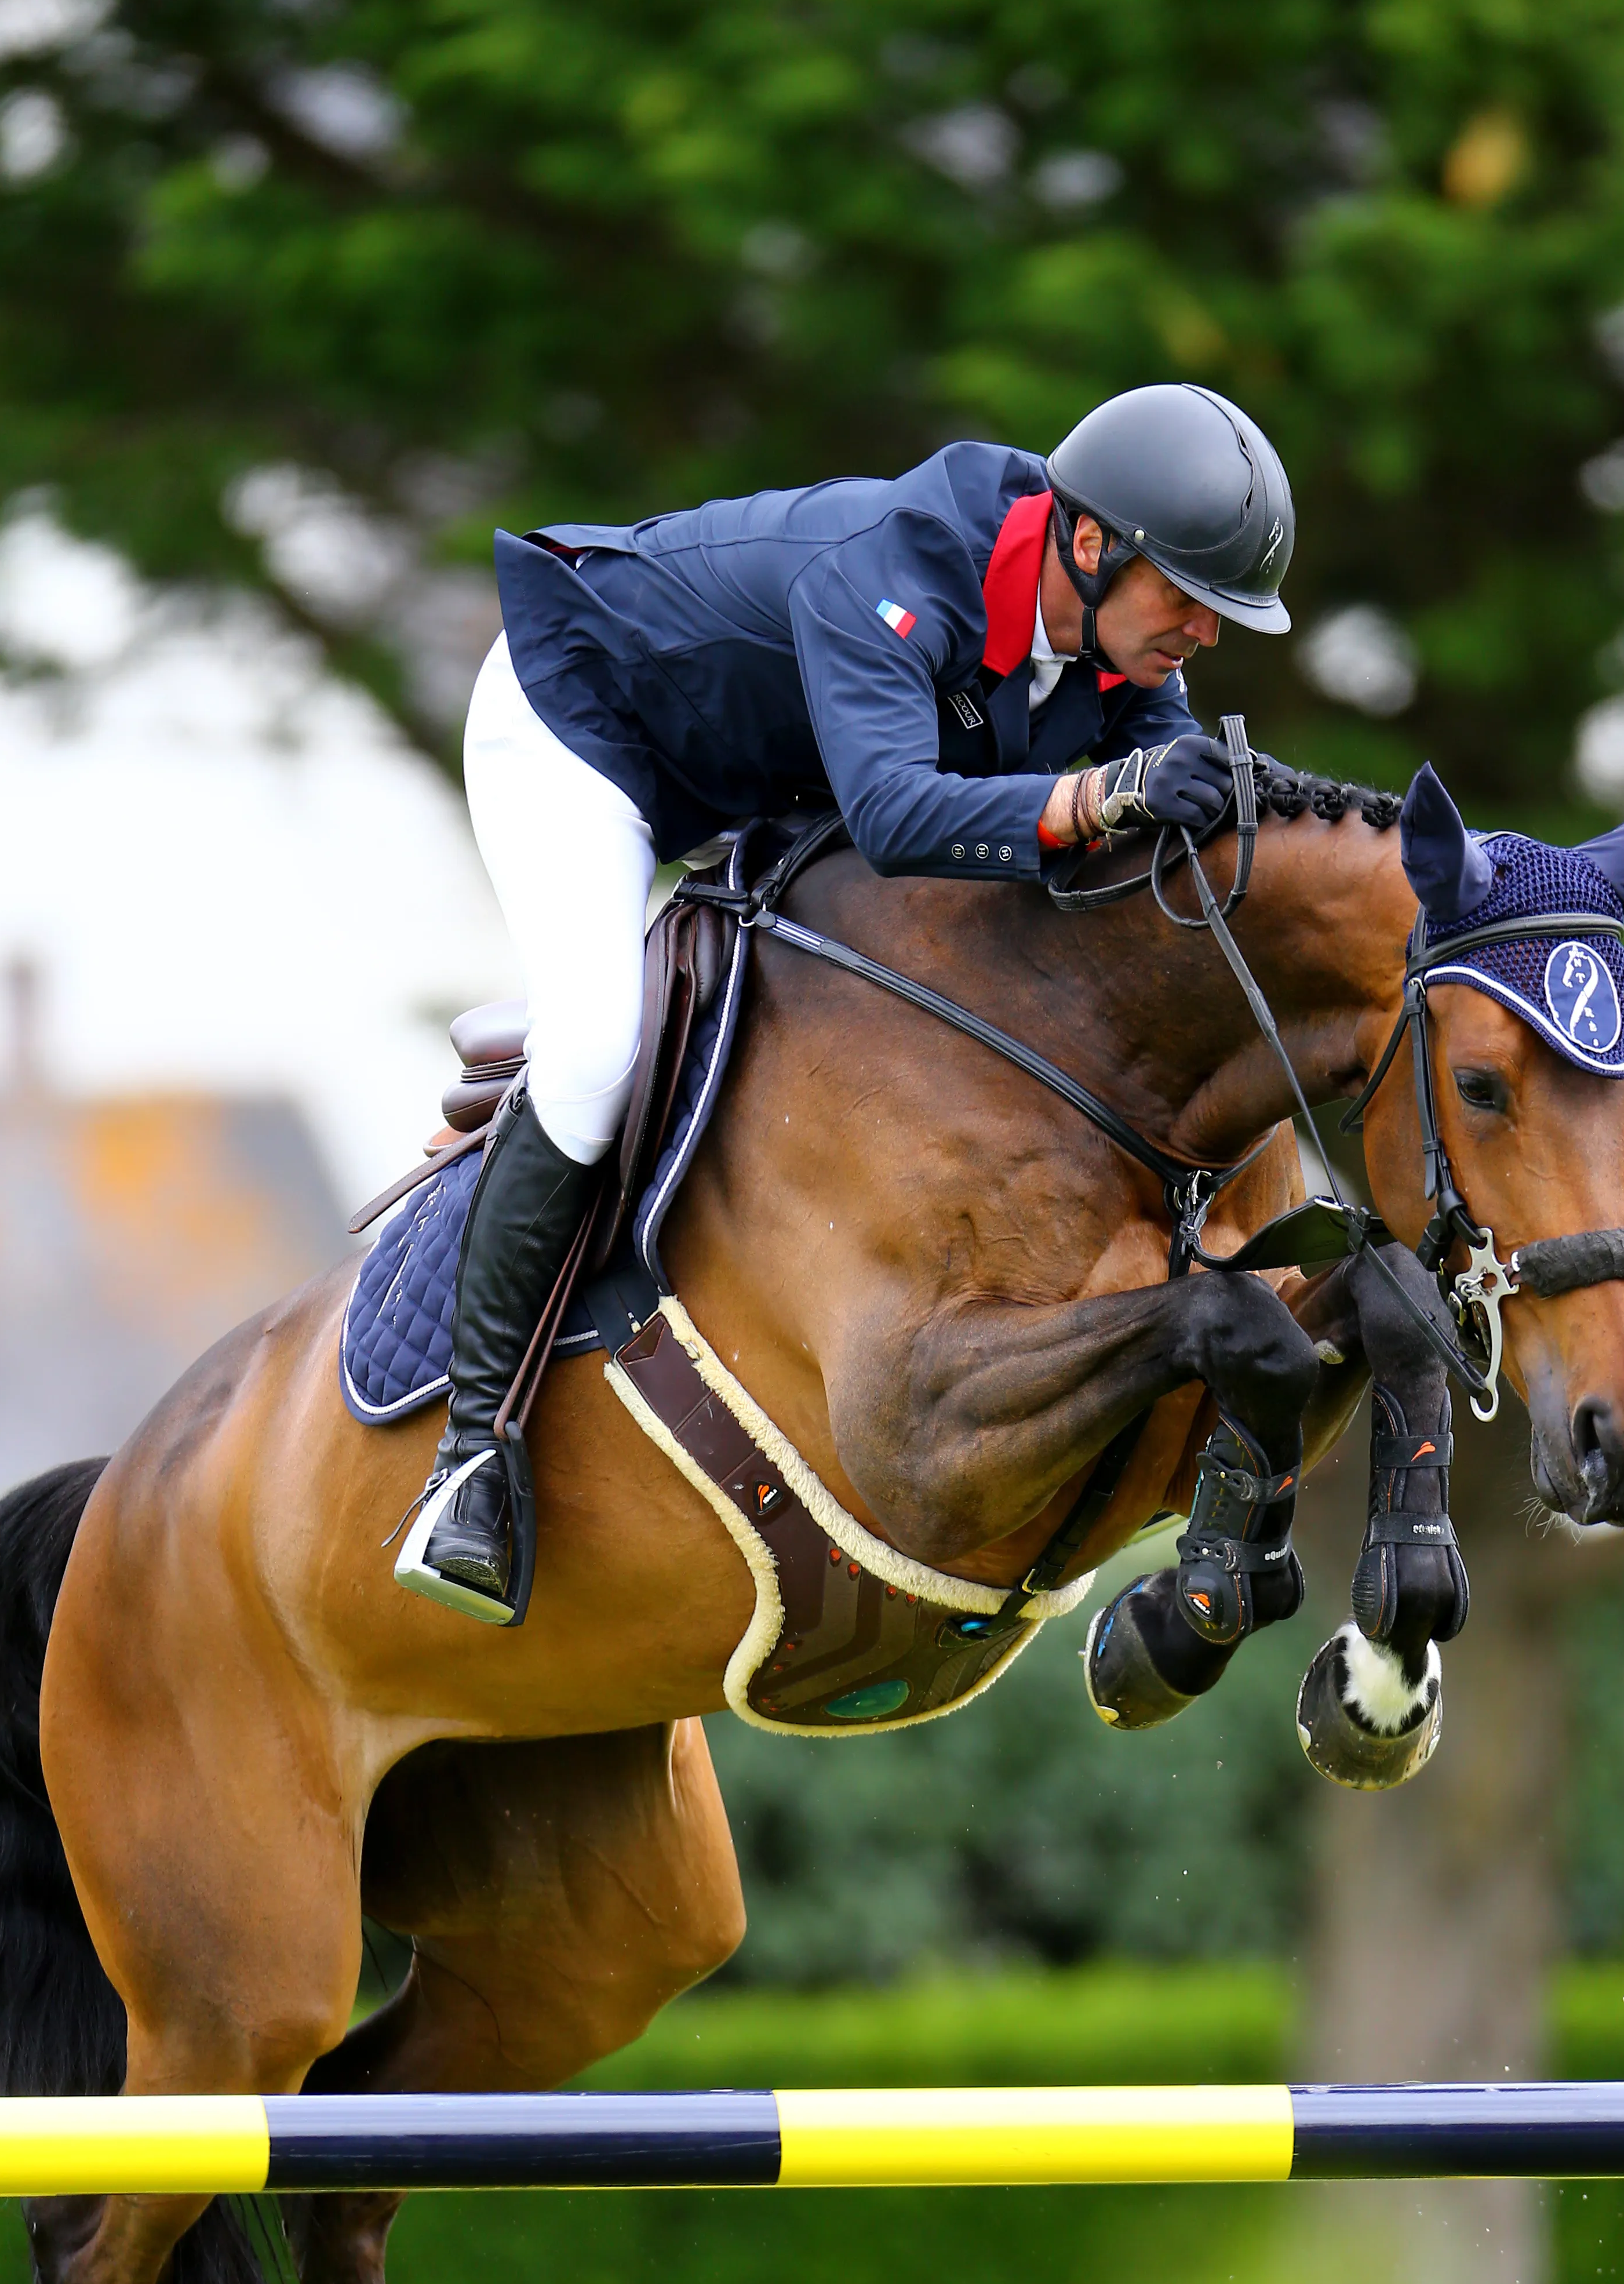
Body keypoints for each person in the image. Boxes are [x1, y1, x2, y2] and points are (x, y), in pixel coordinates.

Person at [396, 380, 1297, 1619]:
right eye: (1189, 597)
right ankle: (470, 1460)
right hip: (583, 720)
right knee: (600, 1049)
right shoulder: (899, 571)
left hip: (754, 788)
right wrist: (1102, 798)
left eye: (1224, 611)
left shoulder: (1115, 642)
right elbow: (892, 813)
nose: (1204, 631)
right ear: (1091, 546)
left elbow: (1176, 814)